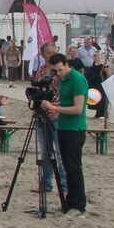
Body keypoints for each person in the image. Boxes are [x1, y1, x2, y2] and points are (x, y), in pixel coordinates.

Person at [42, 52, 88, 217]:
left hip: (75, 128)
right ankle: (70, 200)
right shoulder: (62, 80)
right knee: (67, 166)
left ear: (67, 65)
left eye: (60, 70)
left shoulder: (77, 80)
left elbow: (78, 108)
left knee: (74, 167)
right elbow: (66, 101)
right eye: (55, 71)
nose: (58, 74)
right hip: (63, 126)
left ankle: (79, 204)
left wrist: (54, 108)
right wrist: (52, 104)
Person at [31, 41, 66, 196]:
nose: (52, 55)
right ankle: (45, 183)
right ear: (43, 55)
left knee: (60, 152)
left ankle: (64, 185)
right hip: (42, 116)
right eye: (49, 53)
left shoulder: (60, 72)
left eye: (54, 52)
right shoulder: (41, 71)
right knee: (45, 152)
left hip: (56, 114)